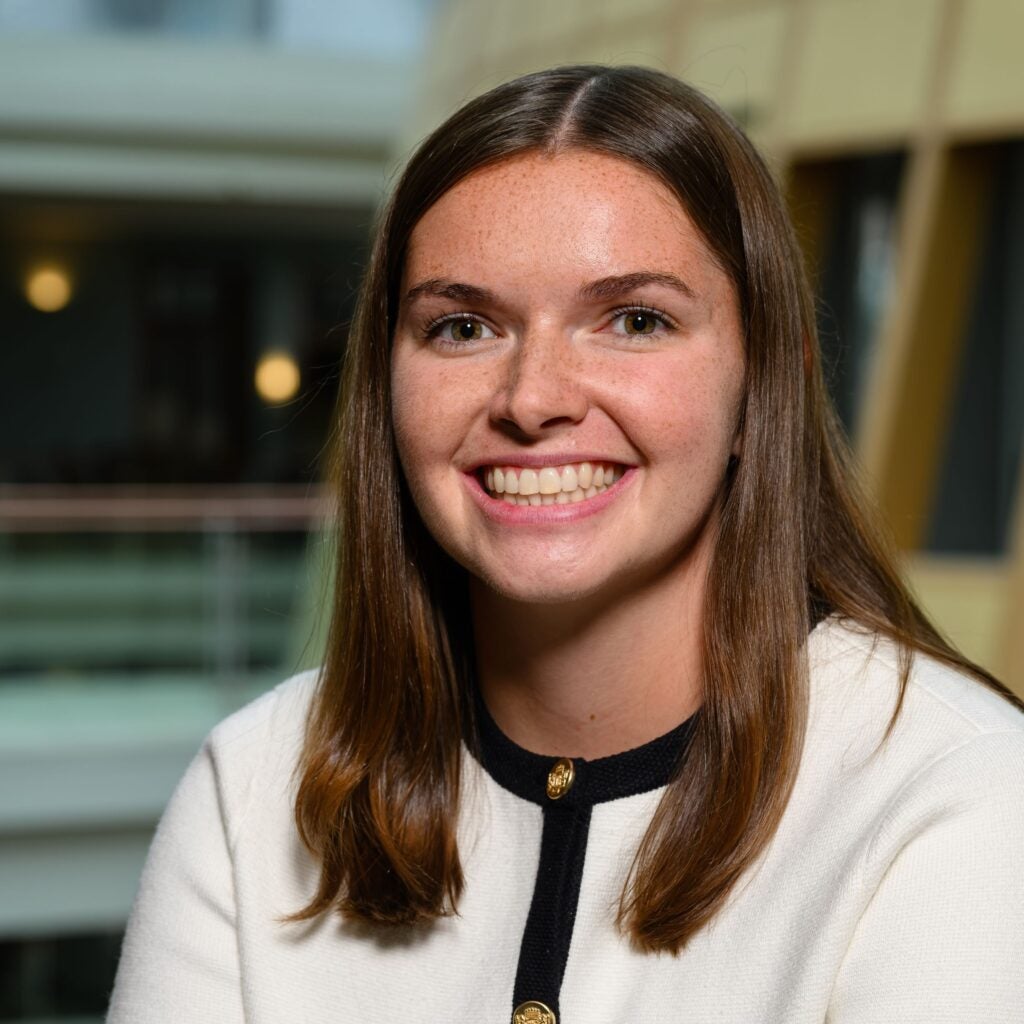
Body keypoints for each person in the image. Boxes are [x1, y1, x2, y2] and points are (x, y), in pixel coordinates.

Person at [107, 65, 1024, 1024]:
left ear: (764, 390)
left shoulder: (957, 804)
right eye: (462, 327)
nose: (534, 397)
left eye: (635, 320)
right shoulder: (252, 788)